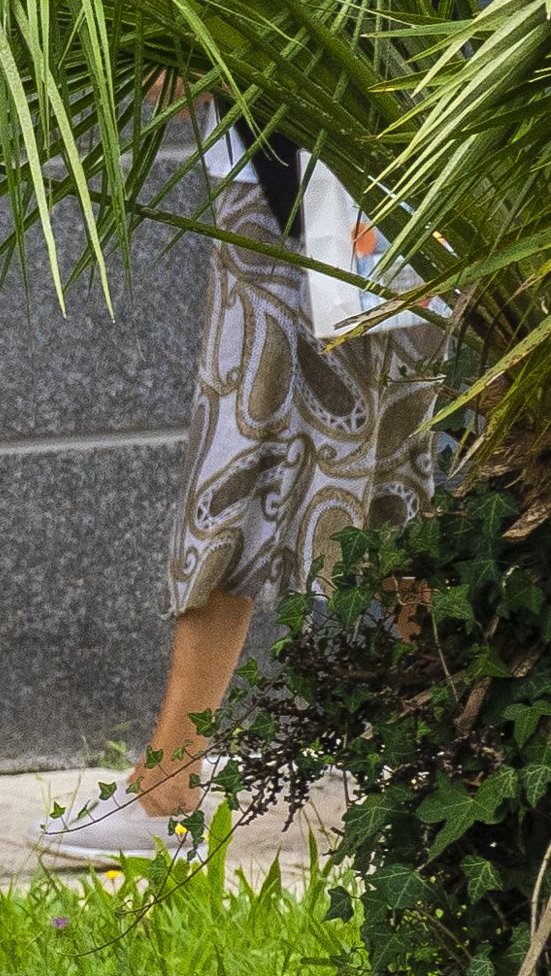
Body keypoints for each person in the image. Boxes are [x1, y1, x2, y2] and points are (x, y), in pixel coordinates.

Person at [43, 127, 440, 867]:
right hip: (348, 180)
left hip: (316, 185)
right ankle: (477, 744)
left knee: (269, 470)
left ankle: (167, 789)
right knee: (379, 488)